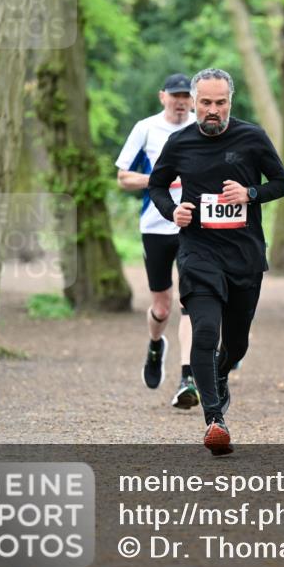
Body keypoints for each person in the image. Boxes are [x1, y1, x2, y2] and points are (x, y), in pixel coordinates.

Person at [148, 68, 284, 455]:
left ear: (231, 101)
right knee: (205, 331)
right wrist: (172, 211)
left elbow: (282, 183)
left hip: (243, 255)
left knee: (237, 343)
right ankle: (215, 420)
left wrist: (250, 192)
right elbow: (157, 184)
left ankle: (222, 374)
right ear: (194, 102)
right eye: (206, 103)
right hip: (198, 252)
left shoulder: (252, 137)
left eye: (220, 103)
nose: (213, 110)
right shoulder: (180, 144)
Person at [115, 73, 199, 409]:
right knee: (162, 307)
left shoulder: (201, 127)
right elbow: (123, 177)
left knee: (191, 300)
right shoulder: (146, 128)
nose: (181, 102)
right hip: (155, 226)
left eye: (186, 96)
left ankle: (187, 376)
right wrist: (159, 179)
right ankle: (155, 344)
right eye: (175, 95)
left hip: (194, 227)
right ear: (162, 96)